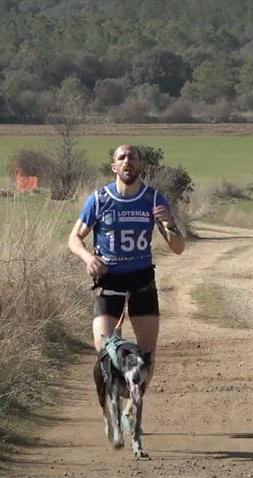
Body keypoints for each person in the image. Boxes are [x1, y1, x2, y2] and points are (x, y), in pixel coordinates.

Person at [68, 144, 185, 373]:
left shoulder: (153, 200)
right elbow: (74, 238)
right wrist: (88, 257)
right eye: (121, 157)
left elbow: (178, 248)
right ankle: (113, 400)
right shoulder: (99, 200)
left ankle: (134, 404)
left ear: (140, 165)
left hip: (142, 281)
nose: (127, 161)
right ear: (114, 167)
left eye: (132, 157)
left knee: (148, 354)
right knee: (104, 350)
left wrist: (170, 223)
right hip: (109, 280)